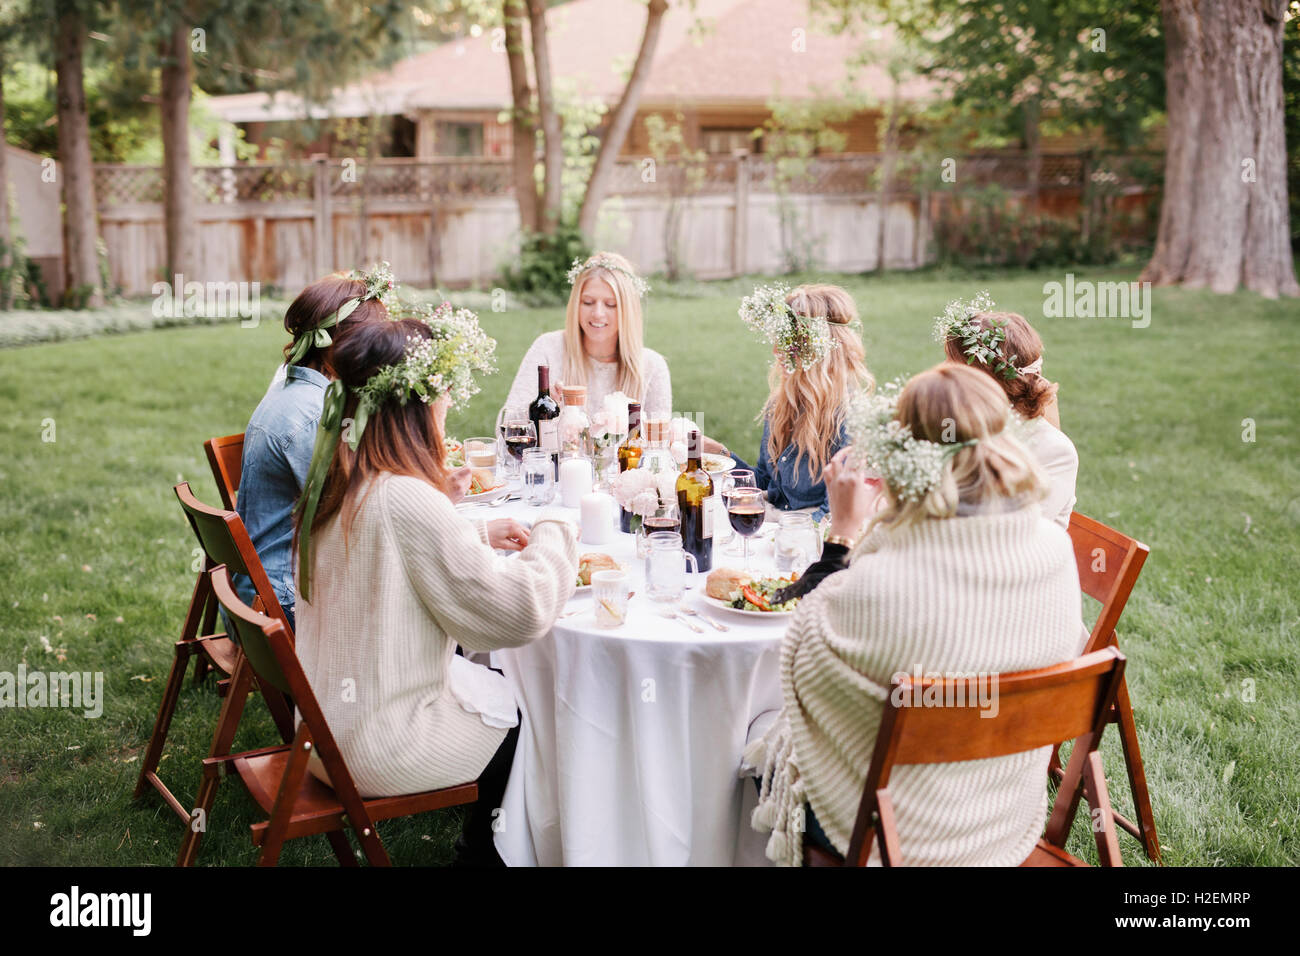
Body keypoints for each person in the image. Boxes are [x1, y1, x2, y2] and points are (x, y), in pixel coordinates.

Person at [746, 363, 1082, 866]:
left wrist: (843, 531)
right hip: (1004, 819)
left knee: (753, 734)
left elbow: (801, 660)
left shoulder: (885, 583)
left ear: (903, 456)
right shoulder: (1056, 548)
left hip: (899, 834)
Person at [292, 317, 578, 868]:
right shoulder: (407, 499)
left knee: (494, 682)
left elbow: (384, 549)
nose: (447, 406)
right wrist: (556, 530)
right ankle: (481, 857)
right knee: (535, 713)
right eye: (443, 394)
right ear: (415, 406)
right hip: (377, 745)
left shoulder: (340, 474)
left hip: (324, 731)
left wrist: (470, 530)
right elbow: (518, 613)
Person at [234, 268, 404, 632]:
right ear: (342, 346)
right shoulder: (311, 418)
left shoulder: (298, 395)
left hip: (256, 598)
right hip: (280, 609)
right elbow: (363, 522)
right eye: (372, 343)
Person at [706, 283, 873, 522]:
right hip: (776, 521)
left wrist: (784, 538)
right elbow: (765, 483)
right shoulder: (782, 403)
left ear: (820, 351)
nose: (776, 351)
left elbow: (833, 514)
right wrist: (718, 451)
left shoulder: (850, 416)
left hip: (809, 536)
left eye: (788, 343)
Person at [939, 305, 1077, 529]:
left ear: (989, 379)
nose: (943, 370)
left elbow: (1013, 533)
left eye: (954, 363)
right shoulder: (957, 424)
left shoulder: (1054, 450)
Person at [504, 251, 672, 421]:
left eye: (611, 304)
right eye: (588, 302)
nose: (598, 313)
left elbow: (660, 441)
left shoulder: (652, 367)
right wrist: (541, 411)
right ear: (576, 304)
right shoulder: (548, 349)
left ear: (627, 310)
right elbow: (508, 425)